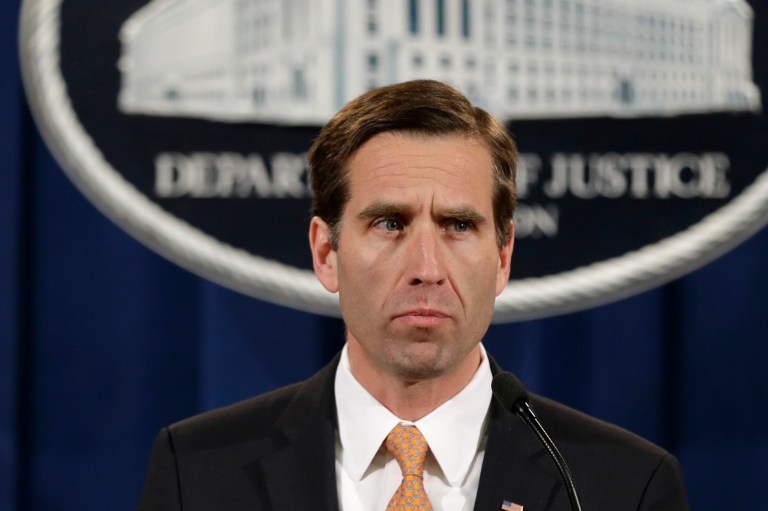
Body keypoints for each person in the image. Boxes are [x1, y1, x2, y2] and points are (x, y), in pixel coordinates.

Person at [137, 80, 689, 511]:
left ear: (502, 257)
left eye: (457, 225)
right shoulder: (200, 472)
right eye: (389, 223)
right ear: (326, 252)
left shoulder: (621, 486)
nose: (427, 268)